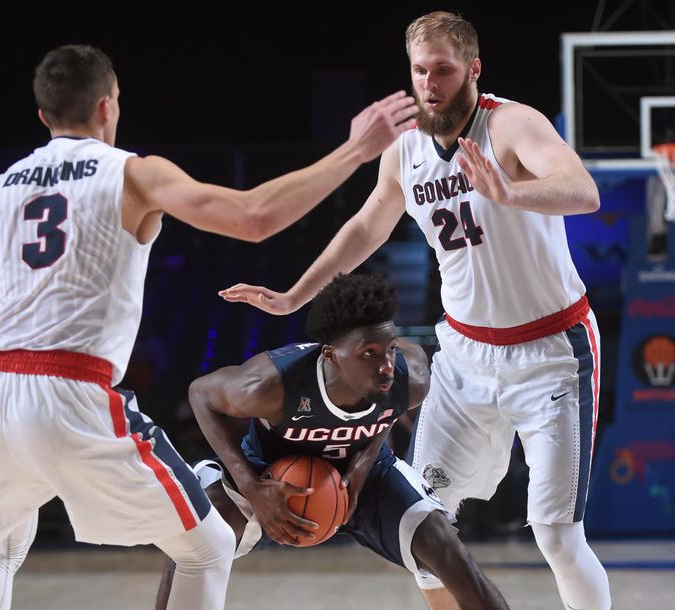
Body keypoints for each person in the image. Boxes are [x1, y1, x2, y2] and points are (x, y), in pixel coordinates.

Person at [0, 45, 417, 610]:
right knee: (208, 546)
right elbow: (254, 219)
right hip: (69, 388)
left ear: (43, 117)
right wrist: (354, 150)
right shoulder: (131, 173)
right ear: (107, 106)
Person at [219, 12, 611, 610]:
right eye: (420, 71)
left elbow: (583, 191)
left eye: (445, 71)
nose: (431, 83)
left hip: (550, 351)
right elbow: (363, 228)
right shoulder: (405, 151)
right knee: (425, 525)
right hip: (463, 353)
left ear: (473, 70)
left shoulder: (510, 124)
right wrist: (297, 295)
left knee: (557, 534)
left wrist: (511, 192)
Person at [156, 273, 508, 610]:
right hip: (270, 475)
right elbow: (200, 394)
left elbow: (387, 409)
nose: (385, 365)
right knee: (197, 538)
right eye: (368, 353)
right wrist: (250, 485)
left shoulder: (409, 377)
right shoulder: (271, 386)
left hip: (365, 476)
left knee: (446, 548)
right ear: (330, 354)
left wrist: (362, 466)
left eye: (389, 348)